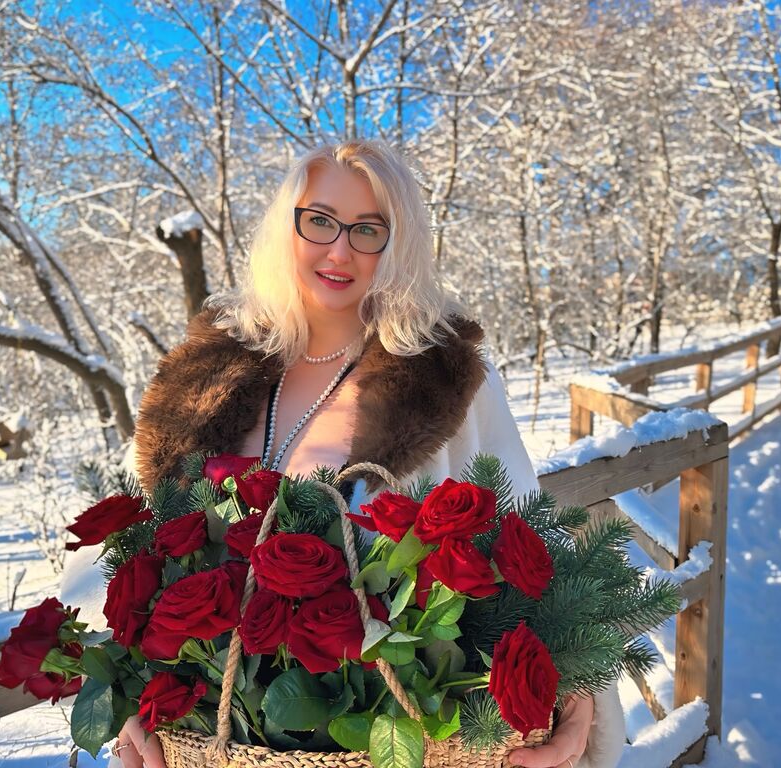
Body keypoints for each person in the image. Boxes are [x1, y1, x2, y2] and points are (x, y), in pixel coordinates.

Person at [62, 140, 626, 768]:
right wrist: (131, 703)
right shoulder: (203, 379)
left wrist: (577, 701)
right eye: (321, 220)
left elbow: (529, 556)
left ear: (398, 244)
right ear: (287, 226)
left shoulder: (444, 375)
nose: (340, 250)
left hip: (393, 742)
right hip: (212, 744)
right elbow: (133, 568)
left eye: (368, 230)